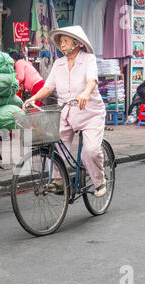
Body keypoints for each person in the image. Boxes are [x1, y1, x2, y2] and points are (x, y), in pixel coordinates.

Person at [23, 26, 107, 198]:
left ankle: (100, 181)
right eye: (60, 42)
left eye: (65, 41)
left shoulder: (88, 59)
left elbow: (92, 81)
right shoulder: (58, 63)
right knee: (52, 144)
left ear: (77, 43)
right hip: (66, 114)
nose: (62, 45)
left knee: (89, 152)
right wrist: (33, 99)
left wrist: (85, 93)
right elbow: (48, 87)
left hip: (90, 114)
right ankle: (58, 180)